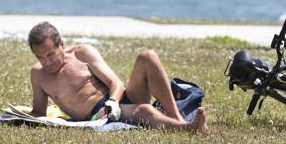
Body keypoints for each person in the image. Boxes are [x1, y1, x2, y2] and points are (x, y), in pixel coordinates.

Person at [27, 22, 208, 132]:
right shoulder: (38, 75)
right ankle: (186, 128)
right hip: (97, 116)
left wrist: (113, 102)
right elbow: (39, 112)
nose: (47, 62)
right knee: (144, 110)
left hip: (115, 102)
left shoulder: (82, 53)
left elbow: (116, 83)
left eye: (50, 55)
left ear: (62, 45)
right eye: (40, 57)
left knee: (148, 56)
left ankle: (178, 119)